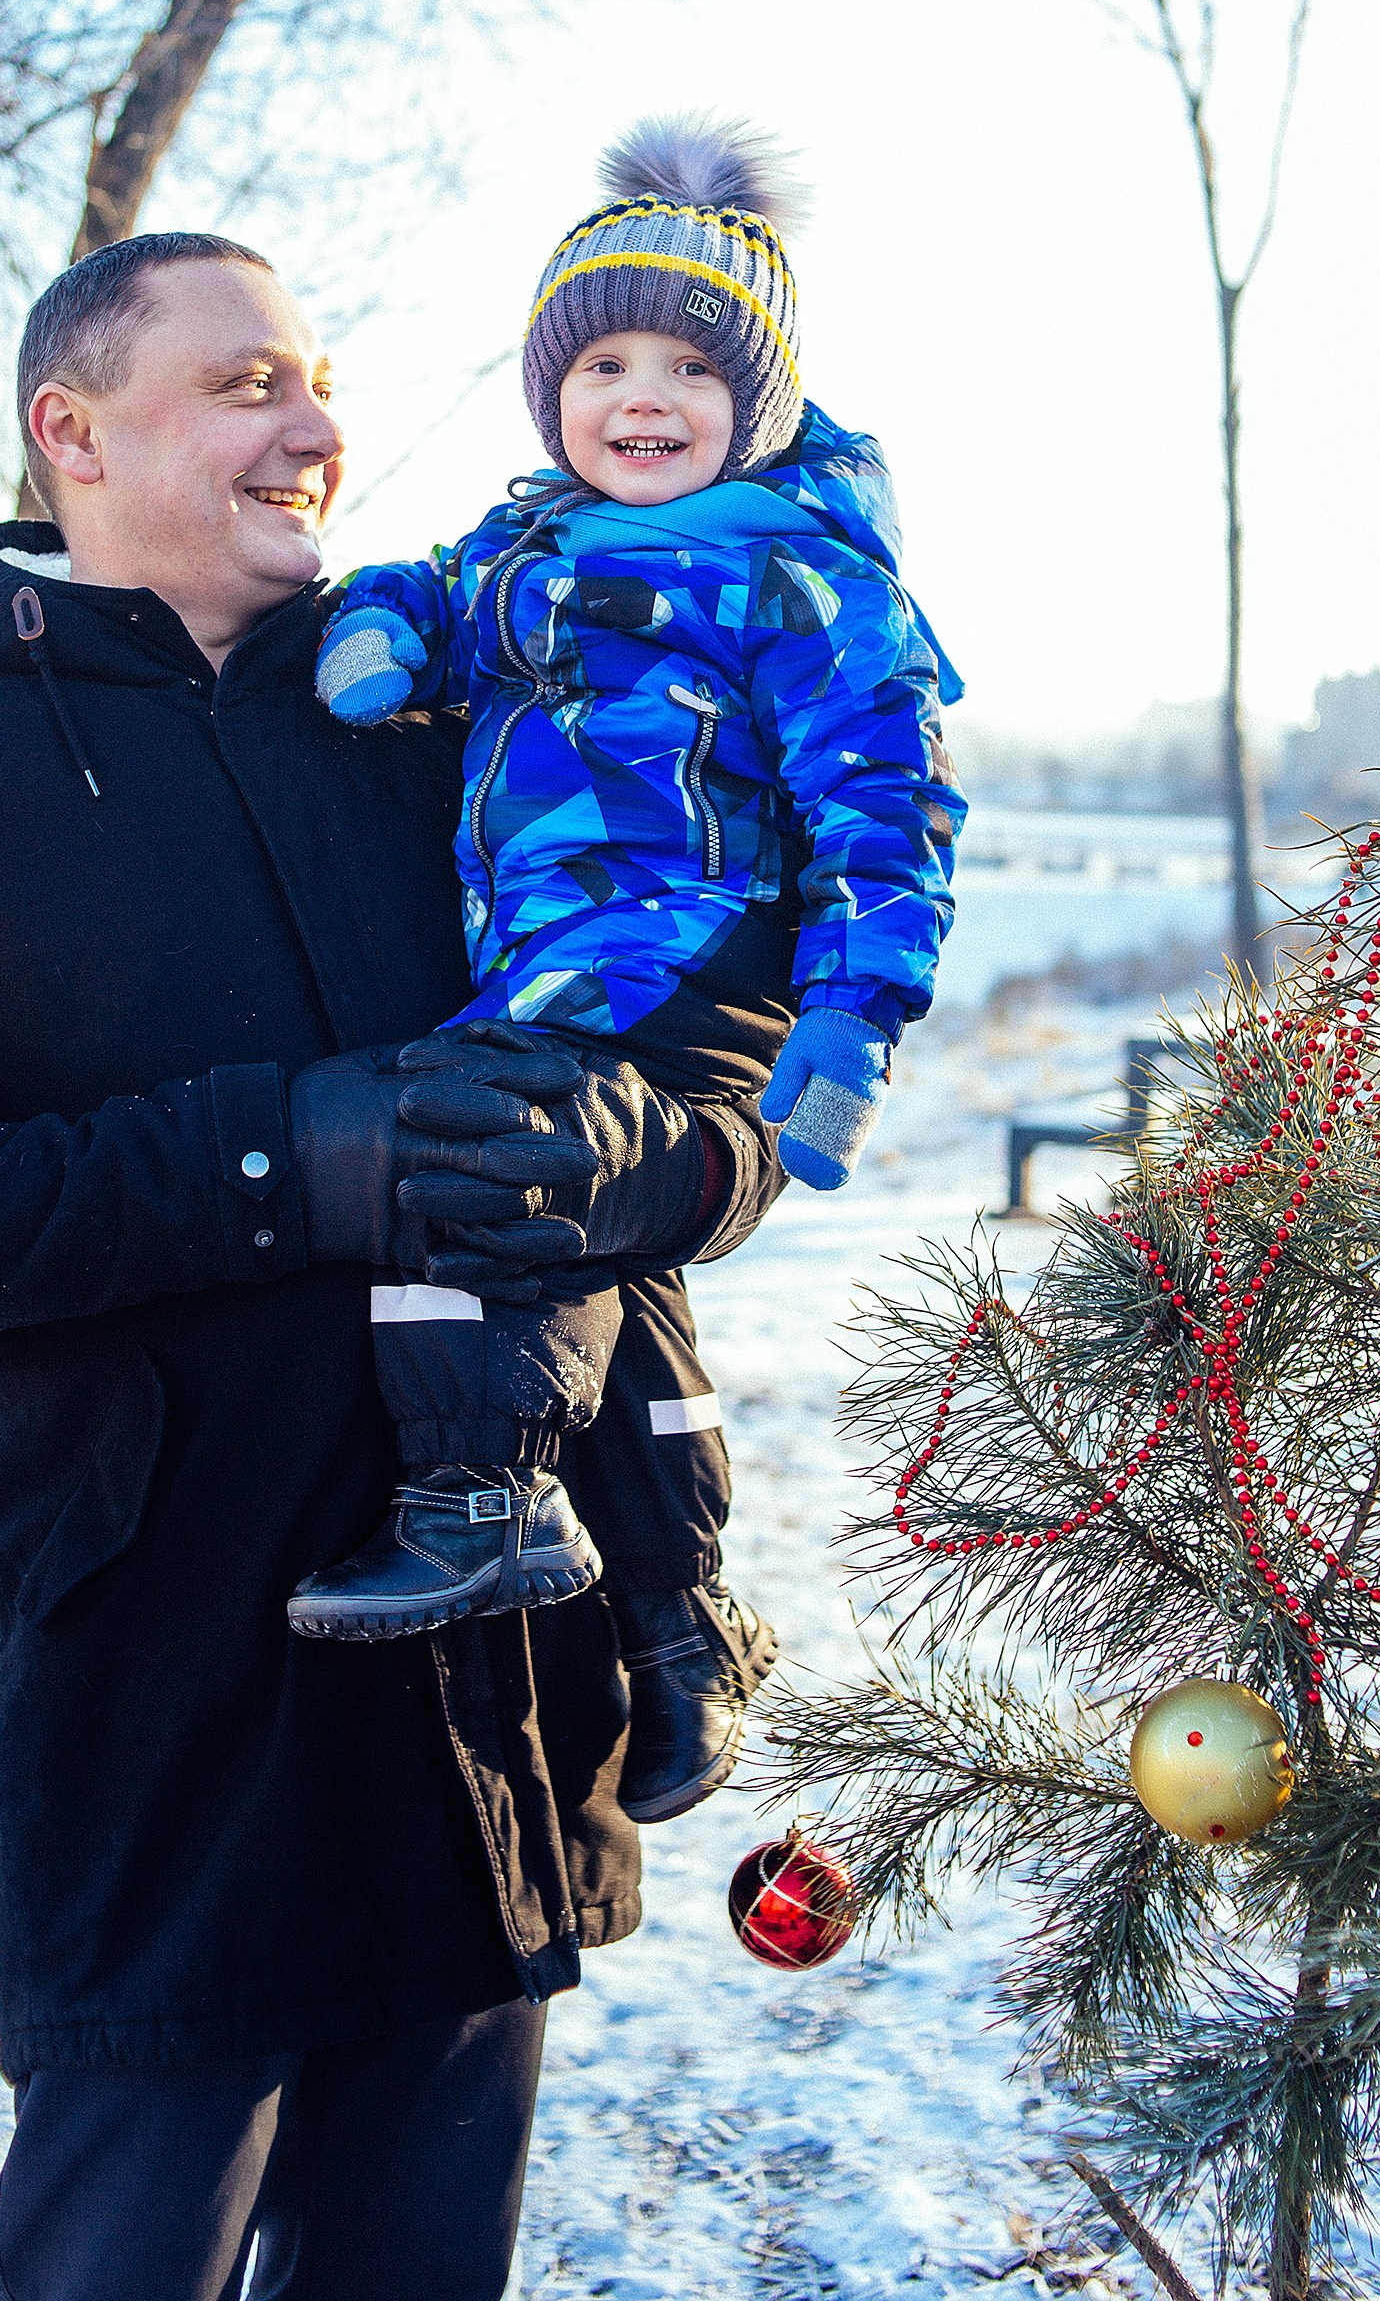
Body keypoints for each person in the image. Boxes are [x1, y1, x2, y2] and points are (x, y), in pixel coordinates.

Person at [0, 232, 783, 2301]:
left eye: (319, 383)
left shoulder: (452, 726)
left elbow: (712, 1056)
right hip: (158, 1674)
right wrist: (286, 1162)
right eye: (250, 383)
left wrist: (665, 1152)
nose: (318, 430)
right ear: (74, 431)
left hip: (487, 1672)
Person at [293, 119, 965, 1828]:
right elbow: (433, 598)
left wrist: (849, 1020)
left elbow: (891, 801)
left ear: (766, 400)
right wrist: (383, 625)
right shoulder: (523, 544)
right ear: (551, 394)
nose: (641, 393)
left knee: (493, 1177)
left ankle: (478, 1492)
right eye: (602, 359)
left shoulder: (798, 571)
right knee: (630, 1280)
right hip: (554, 964)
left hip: (683, 965)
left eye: (688, 363)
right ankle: (680, 1625)